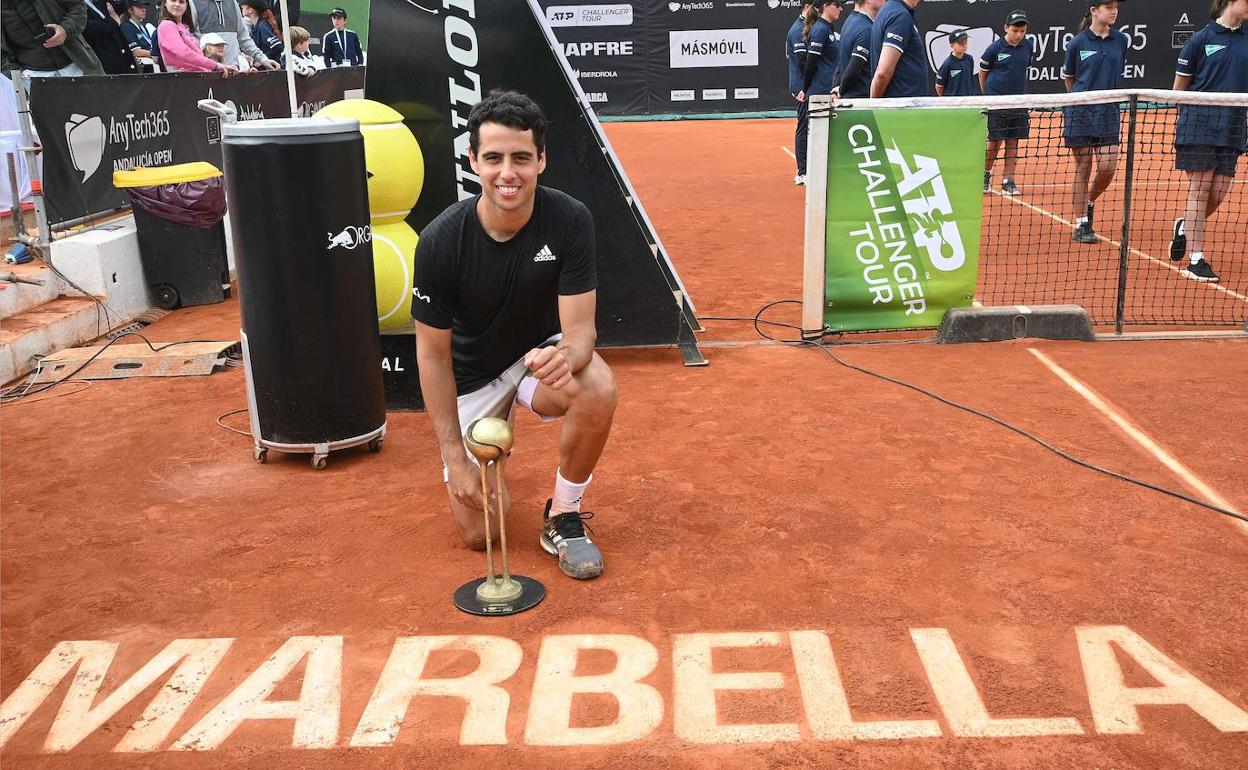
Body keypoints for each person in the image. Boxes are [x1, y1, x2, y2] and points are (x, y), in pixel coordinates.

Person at [412, 91, 616, 581]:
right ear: (473, 161)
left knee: (598, 386)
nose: (509, 173)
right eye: (494, 158)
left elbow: (581, 329)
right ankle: (487, 459)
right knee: (481, 535)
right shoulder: (440, 241)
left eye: (522, 158)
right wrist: (454, 457)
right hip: (471, 379)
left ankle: (564, 515)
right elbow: (432, 357)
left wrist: (567, 355)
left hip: (533, 363)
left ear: (541, 161)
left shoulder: (570, 219)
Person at [1169, 0, 1248, 283]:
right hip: (1200, 123)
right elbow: (1180, 90)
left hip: (1234, 126)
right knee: (1200, 191)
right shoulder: (1200, 40)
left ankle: (1184, 227)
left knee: (1218, 193)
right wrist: (1189, 122)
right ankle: (1195, 259)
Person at [1062, 1, 1129, 244]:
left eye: (1115, 7)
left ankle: (1088, 202)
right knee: (1083, 167)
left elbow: (1116, 72)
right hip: (1080, 114)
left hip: (1108, 114)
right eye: (1108, 6)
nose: (1114, 11)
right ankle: (1081, 223)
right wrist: (1081, 102)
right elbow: (1070, 79)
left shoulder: (1121, 40)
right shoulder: (1078, 42)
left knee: (1108, 167)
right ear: (1094, 11)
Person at [979, 10, 1035, 196]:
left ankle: (1008, 180)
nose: (1019, 34)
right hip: (997, 102)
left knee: (1013, 142)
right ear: (1006, 28)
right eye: (1015, 30)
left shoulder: (1028, 46)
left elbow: (1023, 68)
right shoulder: (994, 48)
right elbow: (983, 73)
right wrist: (988, 95)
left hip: (1018, 103)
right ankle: (985, 175)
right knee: (994, 143)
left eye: (1022, 31)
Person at [0, 0, 104, 85]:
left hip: (78, 65)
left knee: (100, 108)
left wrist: (66, 29)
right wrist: (18, 77)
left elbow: (77, 6)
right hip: (35, 78)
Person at [189, 0, 277, 70]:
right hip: (207, 74)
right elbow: (191, 40)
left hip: (233, 73)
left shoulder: (233, 3)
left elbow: (243, 37)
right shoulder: (193, 3)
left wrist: (263, 59)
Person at [157, 0, 236, 74]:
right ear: (165, 3)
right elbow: (183, 53)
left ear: (186, 5)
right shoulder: (166, 25)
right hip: (182, 80)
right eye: (173, 0)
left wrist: (221, 65)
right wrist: (215, 66)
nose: (177, 4)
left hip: (198, 77)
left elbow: (198, 54)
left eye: (181, 2)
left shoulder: (185, 27)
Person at [870, 0, 926, 98]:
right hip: (902, 106)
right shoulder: (899, 16)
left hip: (902, 104)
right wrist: (874, 104)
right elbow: (883, 73)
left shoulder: (892, 11)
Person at [785, 1, 814, 185]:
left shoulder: (813, 26)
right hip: (803, 89)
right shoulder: (797, 30)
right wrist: (802, 88)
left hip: (811, 86)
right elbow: (804, 61)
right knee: (804, 126)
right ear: (806, 6)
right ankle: (802, 171)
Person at [799, 1, 842, 111]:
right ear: (826, 6)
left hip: (826, 92)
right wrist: (805, 89)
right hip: (820, 94)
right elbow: (811, 62)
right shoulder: (820, 29)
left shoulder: (827, 28)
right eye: (837, 5)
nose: (840, 9)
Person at [837, 0, 884, 100]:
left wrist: (837, 88)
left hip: (851, 99)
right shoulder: (866, 29)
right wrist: (840, 91)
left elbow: (840, 64)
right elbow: (852, 70)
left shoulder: (850, 20)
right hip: (860, 102)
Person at [82, 0, 138, 74]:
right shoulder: (77, 5)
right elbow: (87, 28)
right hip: (100, 58)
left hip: (119, 58)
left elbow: (121, 5)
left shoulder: (99, 3)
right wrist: (113, 23)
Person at [119, 0, 159, 71]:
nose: (144, 9)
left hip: (152, 62)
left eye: (144, 6)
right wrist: (155, 54)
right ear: (130, 10)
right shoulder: (126, 27)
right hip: (143, 66)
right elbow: (136, 52)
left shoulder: (142, 26)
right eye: (139, 7)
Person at [935, 29, 976, 97]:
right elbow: (939, 86)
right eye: (961, 43)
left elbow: (970, 80)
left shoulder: (969, 59)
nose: (964, 45)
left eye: (966, 42)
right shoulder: (947, 64)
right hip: (954, 103)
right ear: (952, 45)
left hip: (968, 101)